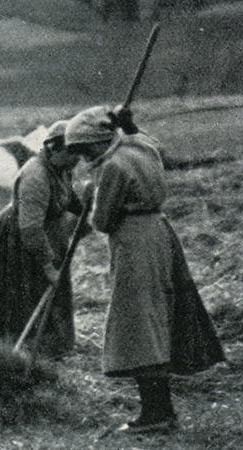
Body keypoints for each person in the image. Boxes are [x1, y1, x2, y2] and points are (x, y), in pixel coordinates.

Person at [66, 105, 225, 434]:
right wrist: (130, 124)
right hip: (160, 235)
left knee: (138, 325)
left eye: (85, 150)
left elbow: (103, 221)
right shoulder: (141, 146)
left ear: (97, 140)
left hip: (134, 243)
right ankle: (160, 410)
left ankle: (156, 414)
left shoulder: (111, 167)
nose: (84, 159)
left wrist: (90, 195)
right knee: (153, 319)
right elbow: (142, 137)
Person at [0, 120, 83, 358]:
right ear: (53, 149)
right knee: (22, 295)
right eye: (72, 154)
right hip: (19, 240)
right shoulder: (36, 175)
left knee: (49, 295)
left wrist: (86, 208)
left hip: (44, 236)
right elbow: (31, 228)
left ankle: (50, 350)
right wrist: (47, 265)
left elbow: (71, 199)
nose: (77, 161)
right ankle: (13, 355)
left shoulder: (61, 169)